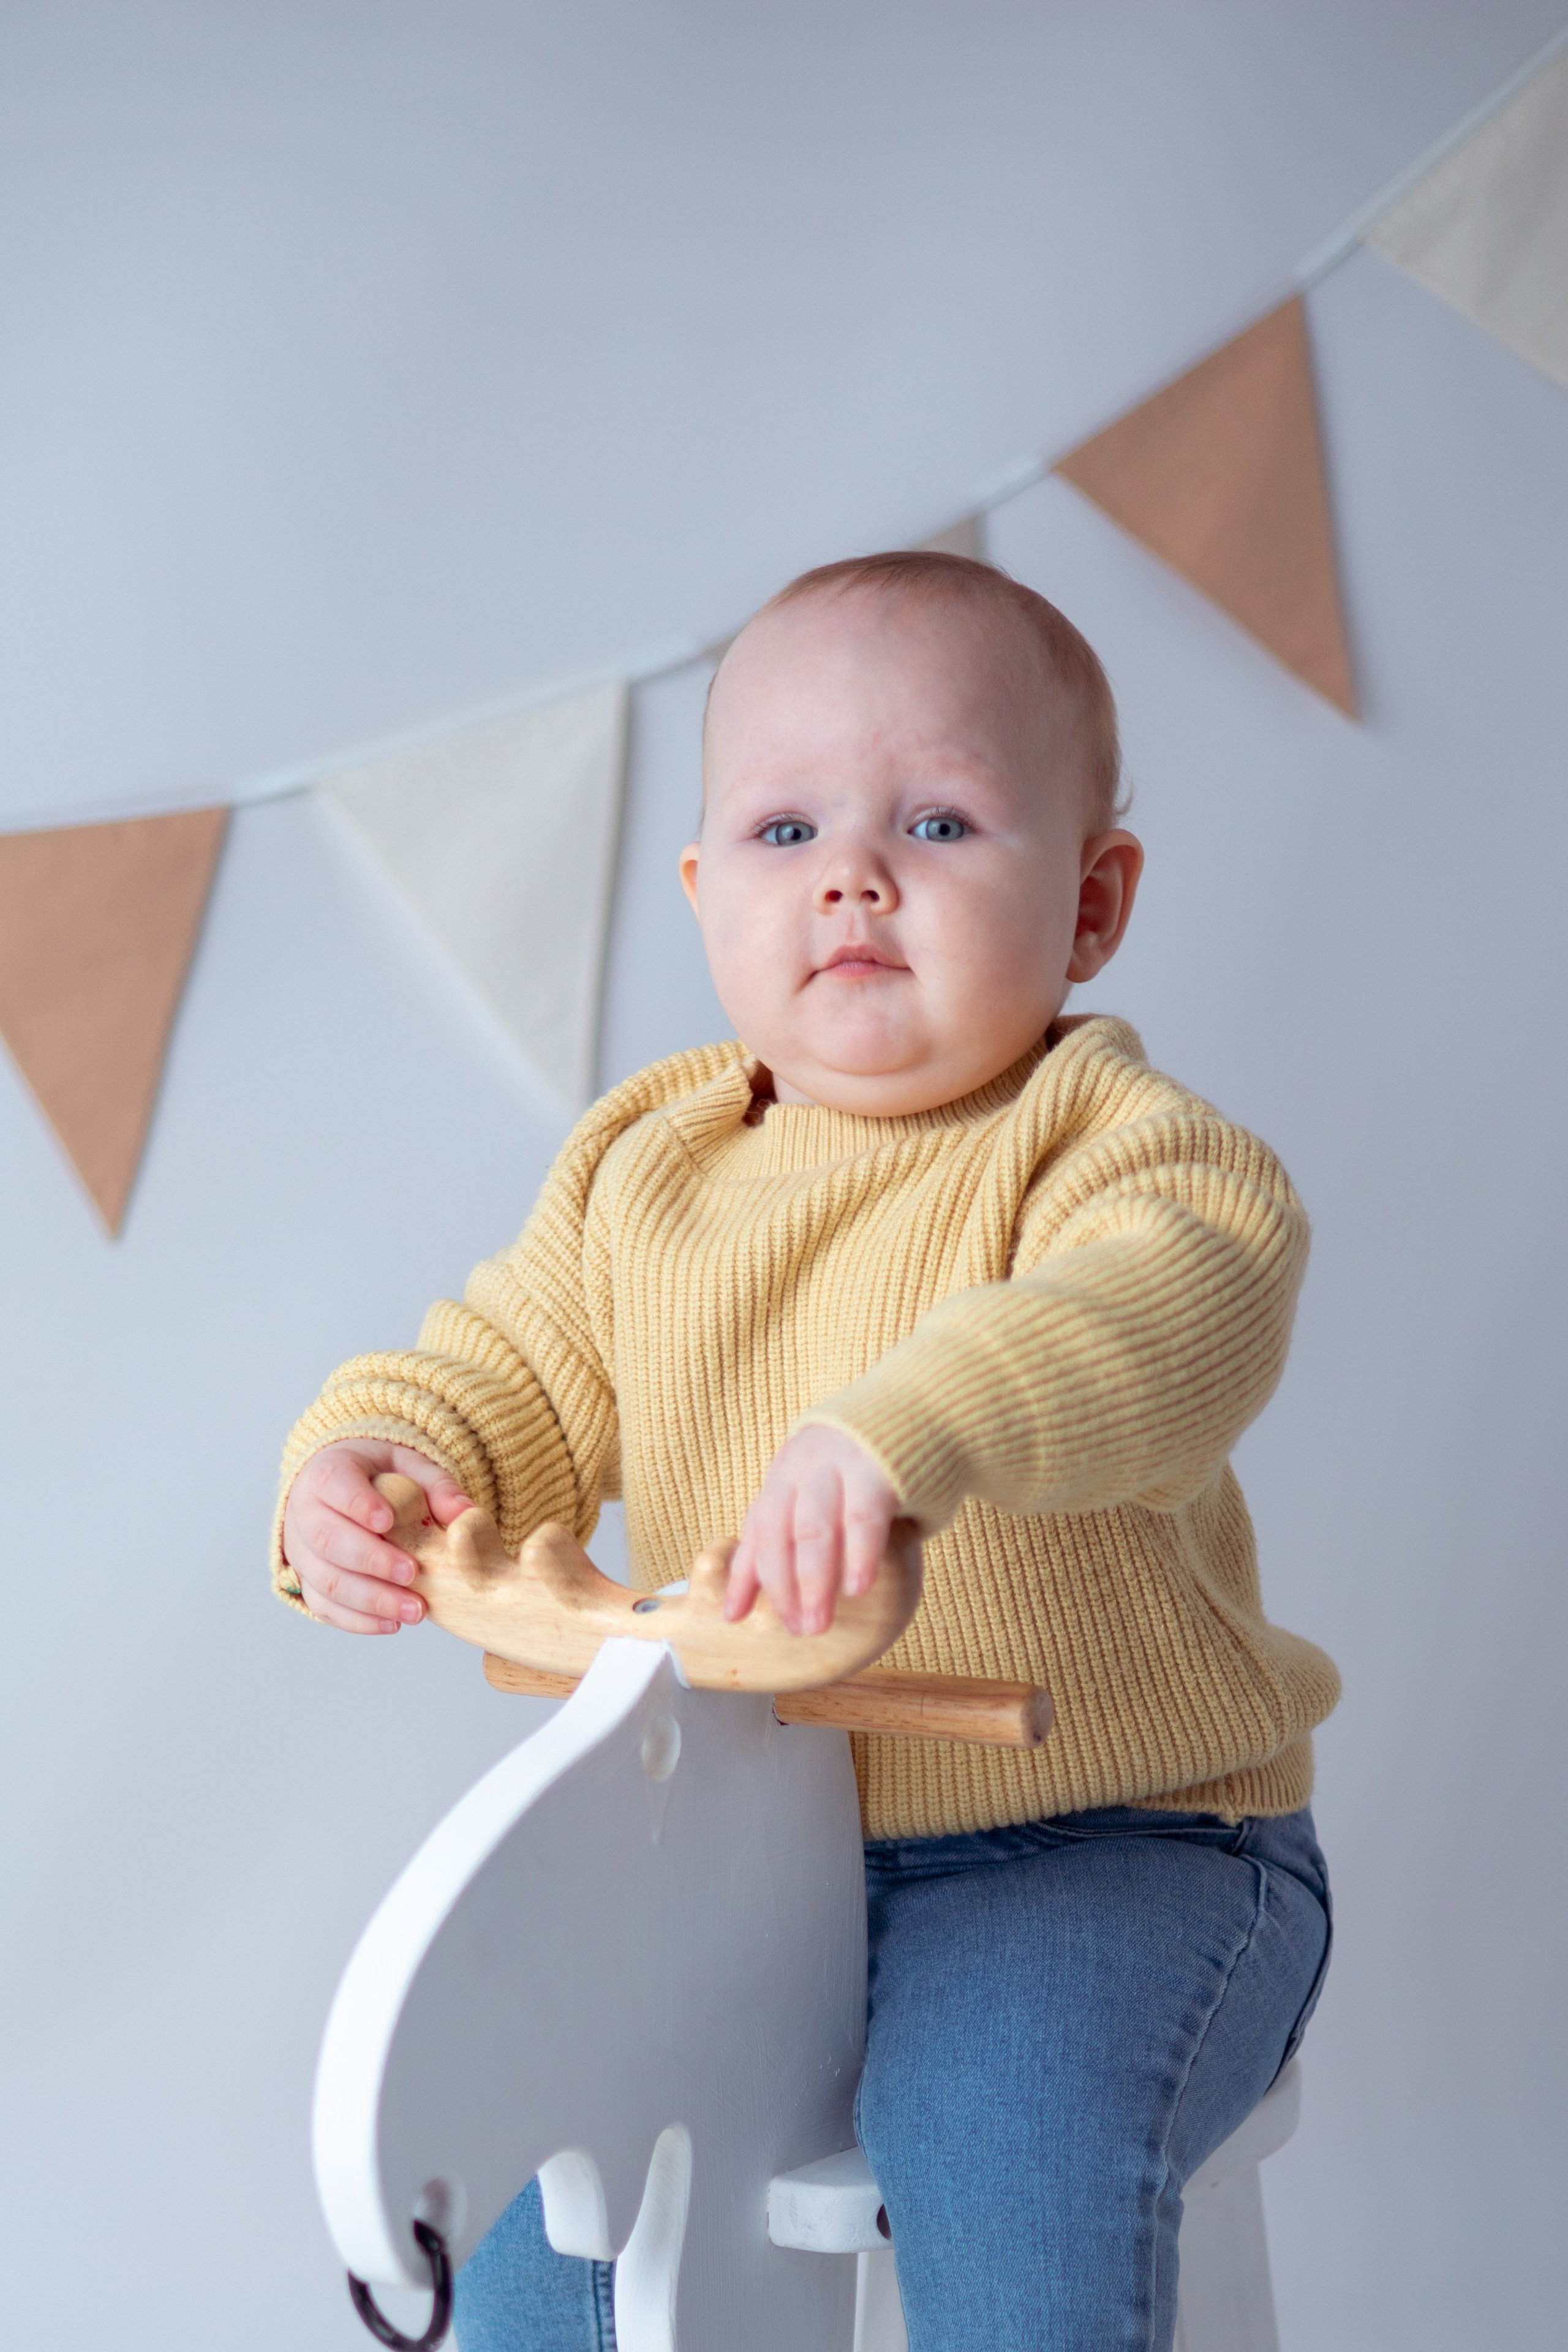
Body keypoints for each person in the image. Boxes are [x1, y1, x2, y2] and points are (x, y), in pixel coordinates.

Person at [274, 549, 1337, 2352]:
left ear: (1091, 905)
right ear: (701, 897)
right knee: (550, 2243)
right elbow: (505, 1369)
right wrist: (380, 1461)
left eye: (937, 819)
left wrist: (907, 1435)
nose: (853, 873)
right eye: (784, 832)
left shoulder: (1119, 1143)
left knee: (999, 2161)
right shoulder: (644, 1170)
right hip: (735, 1867)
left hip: (1110, 1849)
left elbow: (1170, 1321)